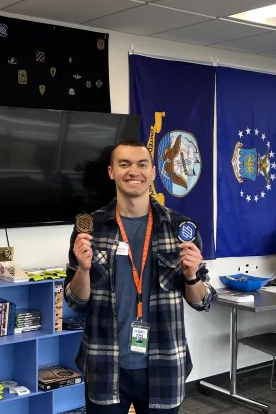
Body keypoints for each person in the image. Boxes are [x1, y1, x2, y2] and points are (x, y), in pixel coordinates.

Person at [64, 138, 217, 414]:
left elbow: (202, 301)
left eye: (142, 164)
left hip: (164, 363)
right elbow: (76, 302)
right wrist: (84, 269)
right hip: (104, 363)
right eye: (124, 164)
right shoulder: (91, 229)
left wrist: (192, 276)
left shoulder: (180, 229)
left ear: (153, 172)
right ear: (111, 172)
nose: (133, 171)